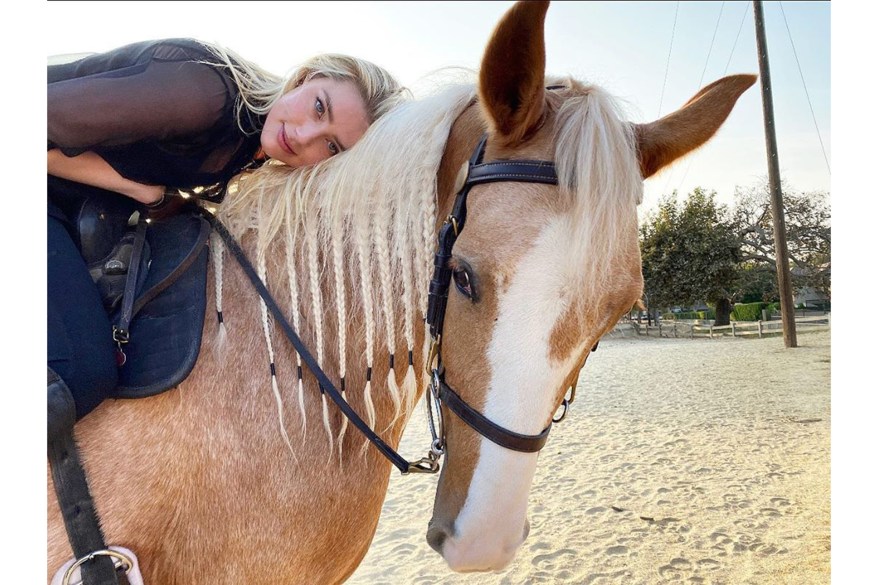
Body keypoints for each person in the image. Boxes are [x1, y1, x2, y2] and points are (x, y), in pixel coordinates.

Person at [48, 38, 409, 421]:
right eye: (319, 107)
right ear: (306, 77)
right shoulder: (204, 94)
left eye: (332, 146)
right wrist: (139, 189)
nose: (305, 136)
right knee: (80, 371)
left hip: (73, 206)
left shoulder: (247, 146)